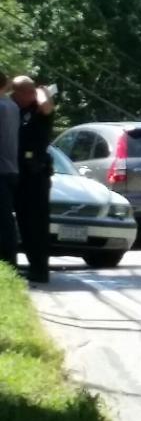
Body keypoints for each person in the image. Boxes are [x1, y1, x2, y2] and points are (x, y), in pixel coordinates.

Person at [12, 76, 54, 283]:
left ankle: (39, 269)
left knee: (35, 223)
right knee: (21, 222)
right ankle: (27, 266)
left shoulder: (39, 109)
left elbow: (47, 106)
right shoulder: (12, 109)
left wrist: (40, 91)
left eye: (28, 92)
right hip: (16, 171)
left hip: (36, 173)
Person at [0, 72, 19, 268]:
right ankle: (9, 261)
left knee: (3, 221)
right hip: (11, 168)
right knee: (6, 219)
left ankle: (7, 262)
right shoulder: (12, 106)